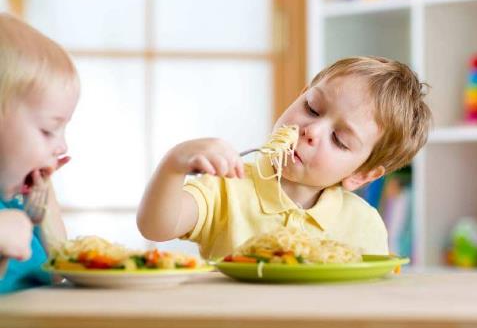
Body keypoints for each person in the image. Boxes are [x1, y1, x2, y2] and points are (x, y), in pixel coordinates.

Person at [137, 56, 431, 259]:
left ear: (362, 174)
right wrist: (175, 164)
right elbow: (156, 226)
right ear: (301, 94)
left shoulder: (364, 223)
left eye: (339, 139)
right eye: (312, 108)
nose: (312, 131)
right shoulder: (227, 188)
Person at [0, 13, 79, 293]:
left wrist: (45, 215)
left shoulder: (15, 201)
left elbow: (60, 275)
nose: (62, 147)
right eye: (48, 131)